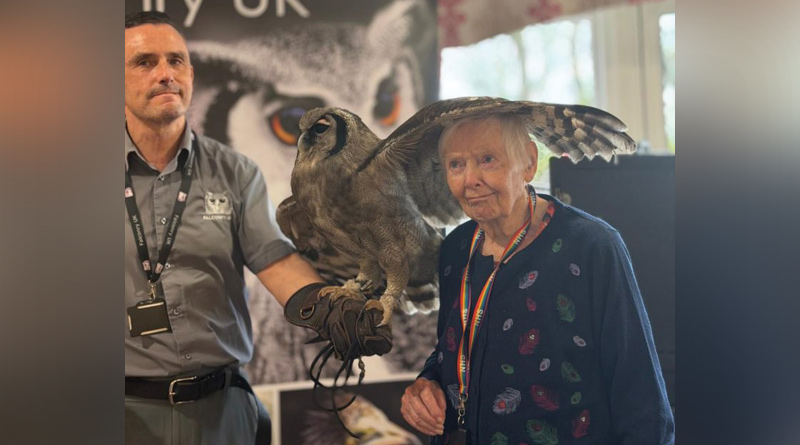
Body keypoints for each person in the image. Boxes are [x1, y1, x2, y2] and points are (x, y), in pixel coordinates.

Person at [124, 11, 389, 445]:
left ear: (190, 74)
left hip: (220, 412)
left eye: (176, 60)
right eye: (144, 62)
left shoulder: (235, 171)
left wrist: (331, 309)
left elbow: (274, 259)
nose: (165, 73)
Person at [400, 115, 675, 444]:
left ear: (528, 163)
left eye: (487, 159)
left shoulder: (590, 246)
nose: (469, 179)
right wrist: (427, 381)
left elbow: (640, 395)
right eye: (455, 164)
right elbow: (453, 347)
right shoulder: (456, 248)